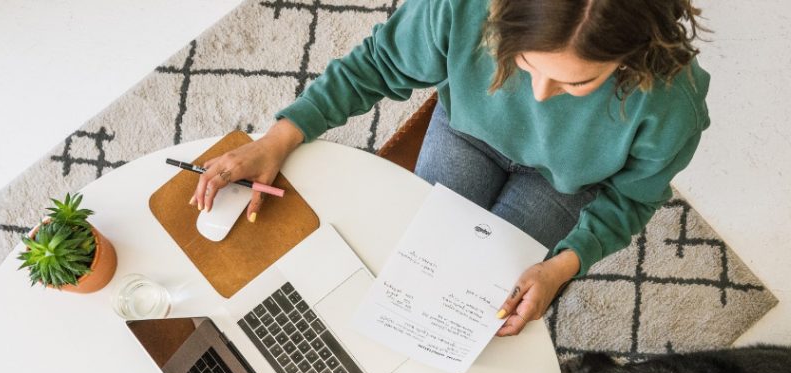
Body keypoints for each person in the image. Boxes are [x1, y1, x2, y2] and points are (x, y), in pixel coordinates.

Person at [191, 0, 710, 337]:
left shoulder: (671, 106)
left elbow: (633, 199)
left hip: (564, 185)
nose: (541, 95)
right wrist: (280, 138)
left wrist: (562, 267)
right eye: (525, 64)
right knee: (400, 271)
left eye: (576, 83)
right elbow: (378, 64)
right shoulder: (465, 7)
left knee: (474, 319)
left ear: (631, 57)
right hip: (466, 131)